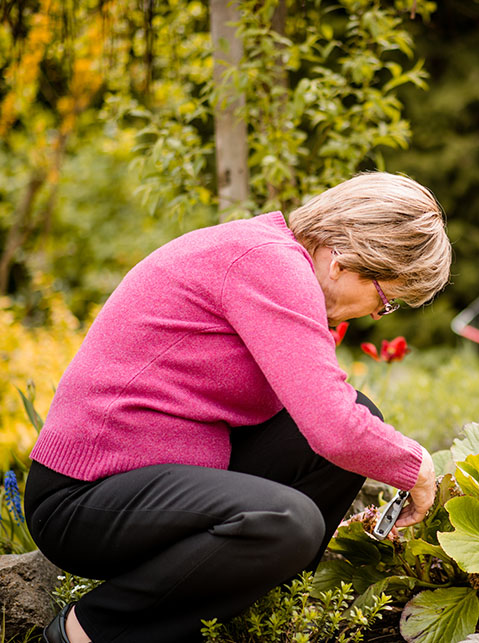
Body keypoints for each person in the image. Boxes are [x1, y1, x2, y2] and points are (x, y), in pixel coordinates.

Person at [24, 172, 452, 643]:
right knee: (289, 520)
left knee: (361, 414)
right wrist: (417, 466)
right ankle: (84, 633)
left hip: (160, 480)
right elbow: (333, 426)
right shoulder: (268, 264)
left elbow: (334, 418)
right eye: (386, 298)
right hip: (85, 497)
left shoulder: (275, 260)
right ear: (344, 259)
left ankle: (256, 610)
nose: (375, 313)